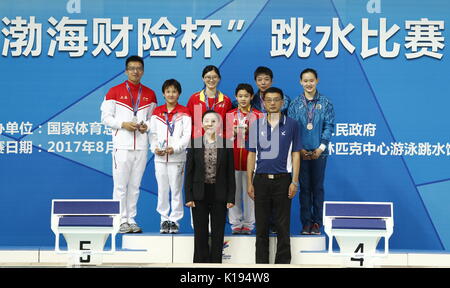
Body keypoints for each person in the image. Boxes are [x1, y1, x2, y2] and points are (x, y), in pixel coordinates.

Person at [101, 55, 157, 233]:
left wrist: (145, 127)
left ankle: (131, 218)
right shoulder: (114, 92)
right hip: (122, 146)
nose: (135, 71)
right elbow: (105, 118)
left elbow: (153, 121)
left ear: (143, 71)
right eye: (132, 68)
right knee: (120, 185)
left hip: (140, 146)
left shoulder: (150, 94)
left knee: (135, 186)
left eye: (139, 68)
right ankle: (119, 220)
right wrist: (123, 124)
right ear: (126, 71)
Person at [246, 87, 301, 264]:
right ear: (263, 102)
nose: (272, 103)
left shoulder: (292, 124)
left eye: (276, 99)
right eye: (268, 100)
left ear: (282, 102)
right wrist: (249, 182)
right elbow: (251, 154)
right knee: (261, 227)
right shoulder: (256, 124)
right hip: (260, 180)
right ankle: (261, 266)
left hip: (283, 180)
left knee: (283, 226)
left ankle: (283, 264)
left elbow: (296, 154)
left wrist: (294, 181)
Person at [288, 68, 335, 235]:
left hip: (319, 153)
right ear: (301, 82)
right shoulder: (294, 104)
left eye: (311, 80)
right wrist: (298, 149)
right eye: (305, 81)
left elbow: (329, 126)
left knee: (317, 188)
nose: (308, 83)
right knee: (304, 189)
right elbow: (292, 128)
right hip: (300, 153)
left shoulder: (326, 103)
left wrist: (321, 147)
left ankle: (317, 223)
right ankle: (306, 223)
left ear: (317, 80)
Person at [184, 110, 235, 263]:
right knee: (200, 232)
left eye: (214, 121)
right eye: (207, 121)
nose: (210, 124)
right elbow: (189, 172)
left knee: (218, 231)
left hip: (220, 193)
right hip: (199, 193)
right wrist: (189, 196)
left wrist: (231, 196)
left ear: (219, 124)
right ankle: (200, 264)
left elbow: (230, 173)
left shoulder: (226, 144)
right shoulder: (194, 143)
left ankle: (215, 264)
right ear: (202, 123)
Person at [149, 79, 191, 234]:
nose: (171, 94)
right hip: (160, 158)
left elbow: (186, 135)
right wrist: (154, 148)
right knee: (162, 189)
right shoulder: (157, 112)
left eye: (174, 91)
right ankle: (164, 220)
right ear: (163, 93)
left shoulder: (185, 112)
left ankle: (175, 220)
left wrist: (176, 148)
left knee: (176, 190)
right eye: (168, 91)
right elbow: (152, 134)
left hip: (177, 158)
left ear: (179, 93)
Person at [226, 84, 263, 235]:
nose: (243, 99)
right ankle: (235, 223)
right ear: (236, 97)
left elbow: (263, 139)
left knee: (250, 193)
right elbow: (225, 138)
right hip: (233, 159)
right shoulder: (230, 115)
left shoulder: (259, 115)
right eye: (240, 96)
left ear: (251, 97)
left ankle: (249, 223)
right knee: (233, 193)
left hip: (251, 161)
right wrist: (233, 132)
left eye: (246, 96)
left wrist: (250, 132)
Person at [187, 65, 233, 138]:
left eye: (214, 77)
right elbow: (188, 123)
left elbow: (228, 126)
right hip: (198, 142)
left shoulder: (226, 100)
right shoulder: (194, 99)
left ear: (219, 79)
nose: (211, 80)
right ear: (203, 78)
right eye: (208, 77)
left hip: (218, 143)